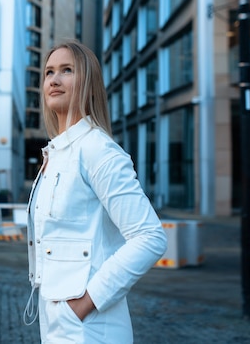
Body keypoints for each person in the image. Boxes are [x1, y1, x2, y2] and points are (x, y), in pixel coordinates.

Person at [24, 40, 167, 343]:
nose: (54, 79)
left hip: (89, 326)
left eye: (67, 70)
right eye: (49, 72)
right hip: (55, 320)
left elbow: (150, 236)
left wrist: (85, 303)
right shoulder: (57, 154)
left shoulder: (97, 150)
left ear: (88, 84)